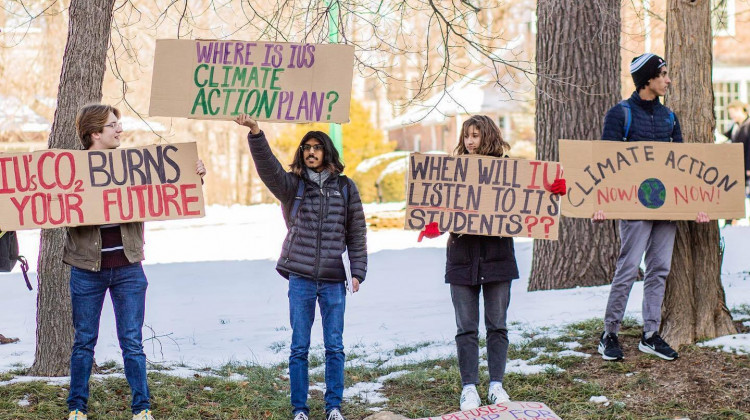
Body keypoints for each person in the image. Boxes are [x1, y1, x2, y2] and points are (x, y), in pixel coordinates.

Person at [66, 104, 207, 420]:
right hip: (87, 270)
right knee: (83, 342)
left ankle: (141, 409)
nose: (120, 130)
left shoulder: (133, 166)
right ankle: (76, 408)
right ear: (94, 133)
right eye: (113, 125)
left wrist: (193, 175)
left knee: (132, 342)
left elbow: (168, 190)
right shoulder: (69, 171)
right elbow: (53, 205)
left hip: (128, 268)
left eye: (119, 124)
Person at [423, 115, 564, 410]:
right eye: (467, 136)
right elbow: (439, 205)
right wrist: (435, 222)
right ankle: (469, 387)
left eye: (475, 135)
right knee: (466, 327)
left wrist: (552, 193)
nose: (470, 142)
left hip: (498, 259)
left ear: (488, 136)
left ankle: (496, 384)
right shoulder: (453, 171)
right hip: (462, 259)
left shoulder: (511, 172)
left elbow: (531, 201)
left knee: (497, 325)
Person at [235, 115, 367, 420]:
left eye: (317, 147)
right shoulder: (293, 186)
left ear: (327, 152)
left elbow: (356, 232)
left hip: (335, 279)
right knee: (299, 346)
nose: (311, 152)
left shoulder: (346, 188)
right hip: (301, 278)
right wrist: (256, 133)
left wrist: (357, 271)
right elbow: (268, 168)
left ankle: (333, 406)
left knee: (334, 347)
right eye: (306, 147)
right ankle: (300, 409)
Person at [595, 53, 709, 362]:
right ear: (647, 78)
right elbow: (605, 164)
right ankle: (609, 333)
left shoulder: (670, 117)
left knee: (659, 269)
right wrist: (600, 203)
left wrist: (695, 205)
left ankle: (650, 334)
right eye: (663, 74)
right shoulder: (620, 114)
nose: (668, 80)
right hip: (633, 208)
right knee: (628, 268)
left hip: (666, 208)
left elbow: (682, 167)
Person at [724, 101, 750, 198]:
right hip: (738, 164)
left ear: (739, 110)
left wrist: (749, 168)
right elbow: (727, 137)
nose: (731, 117)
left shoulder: (748, 125)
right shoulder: (735, 125)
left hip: (746, 165)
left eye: (732, 113)